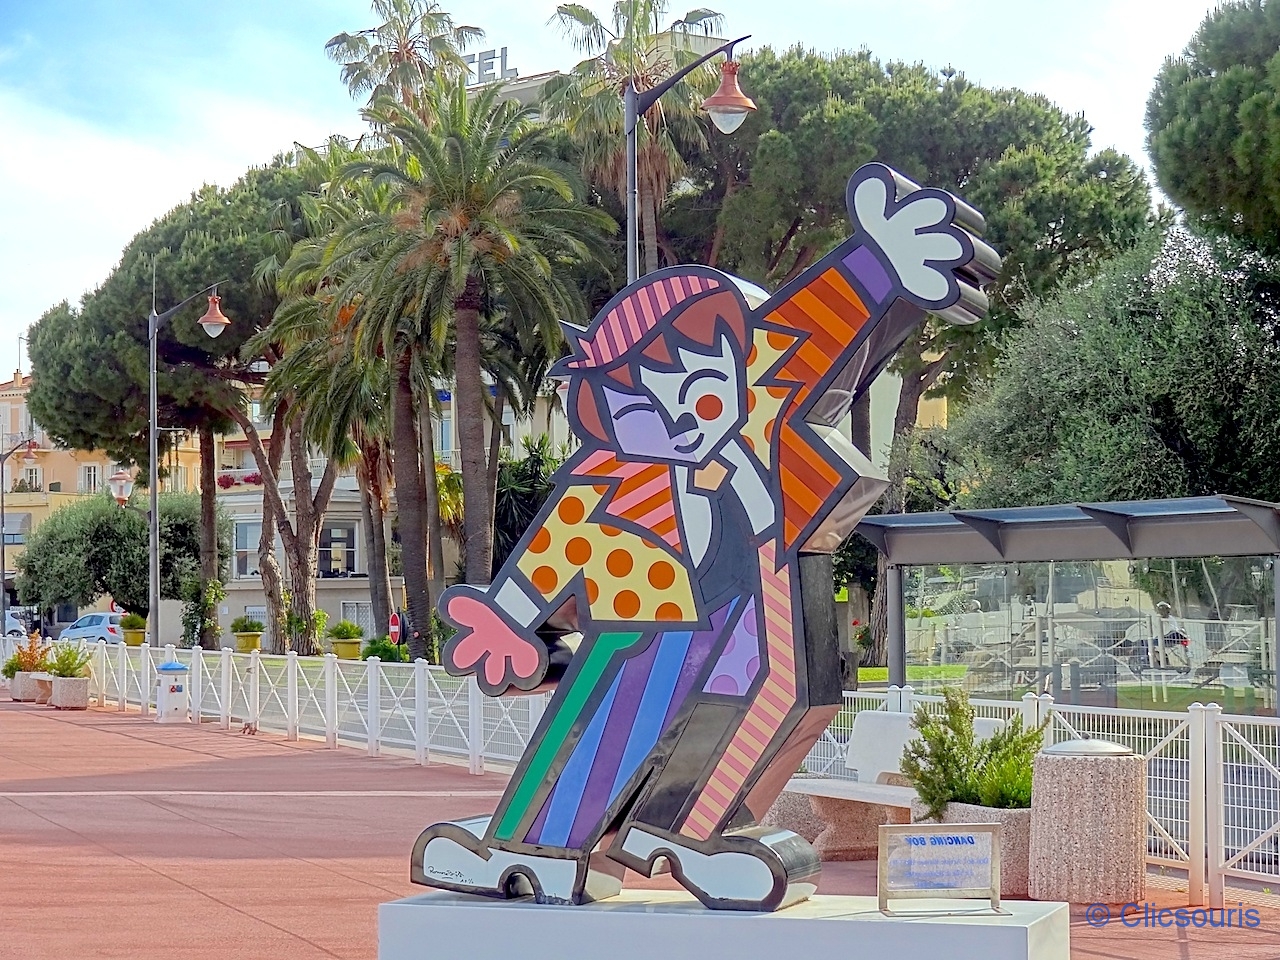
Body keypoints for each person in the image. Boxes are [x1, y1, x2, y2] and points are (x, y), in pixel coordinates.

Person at [411, 162, 999, 911]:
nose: (681, 422)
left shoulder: (754, 438)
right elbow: (557, 546)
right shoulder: (609, 479)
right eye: (641, 411)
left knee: (780, 698)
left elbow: (802, 336)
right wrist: (508, 619)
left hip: (745, 610)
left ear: (737, 375)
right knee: (604, 729)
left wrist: (880, 266)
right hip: (639, 623)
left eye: (701, 394)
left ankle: (688, 829)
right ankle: (533, 842)